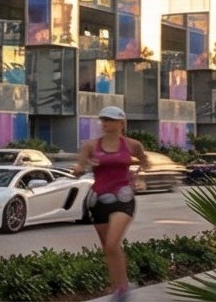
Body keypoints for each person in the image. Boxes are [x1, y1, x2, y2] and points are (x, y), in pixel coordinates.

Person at [77, 107, 145, 301]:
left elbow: (145, 162)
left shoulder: (133, 145)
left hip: (123, 198)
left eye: (110, 120)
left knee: (113, 242)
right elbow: (80, 166)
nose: (106, 124)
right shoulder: (90, 145)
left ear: (121, 123)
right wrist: (80, 167)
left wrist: (138, 177)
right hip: (98, 199)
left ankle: (122, 289)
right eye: (103, 120)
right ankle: (120, 287)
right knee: (108, 248)